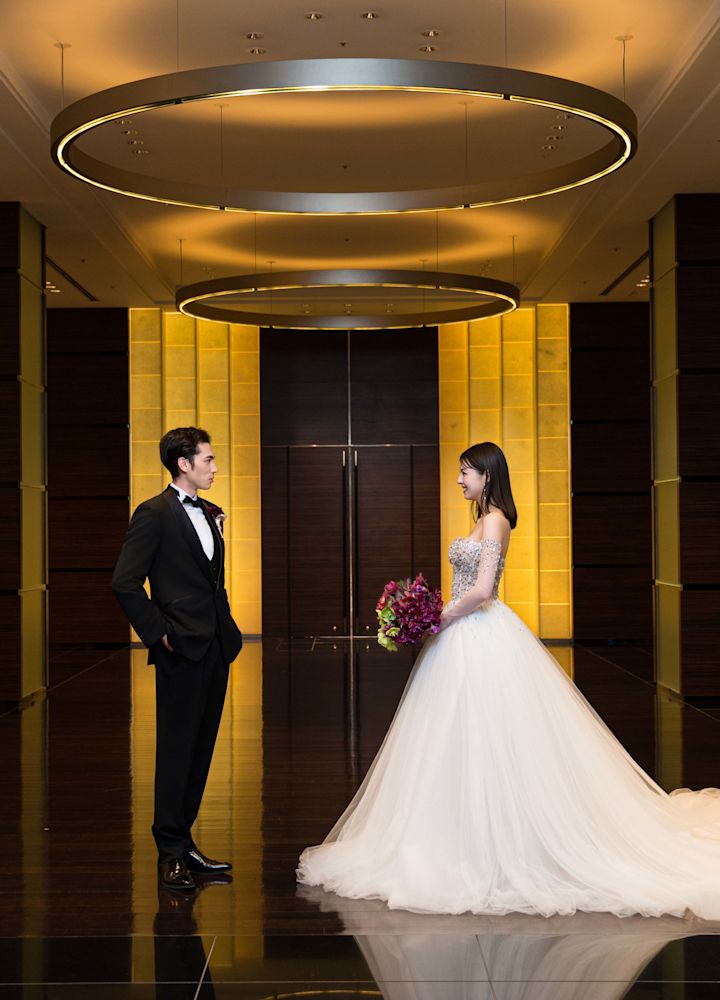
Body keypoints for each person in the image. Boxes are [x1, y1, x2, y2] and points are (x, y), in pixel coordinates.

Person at [298, 441, 720, 919]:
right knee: (452, 735)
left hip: (477, 631)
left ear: (487, 475)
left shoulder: (496, 520)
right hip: (462, 633)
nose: (459, 479)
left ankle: (493, 841)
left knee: (488, 735)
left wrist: (438, 617)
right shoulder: (483, 518)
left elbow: (482, 589)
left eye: (466, 472)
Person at [112, 426, 243, 891]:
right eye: (208, 459)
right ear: (183, 464)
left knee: (200, 750)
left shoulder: (209, 511)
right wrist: (159, 633)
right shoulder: (154, 513)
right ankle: (169, 853)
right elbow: (125, 582)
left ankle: (185, 844)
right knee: (175, 750)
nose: (214, 467)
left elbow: (209, 579)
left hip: (215, 646)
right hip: (180, 647)